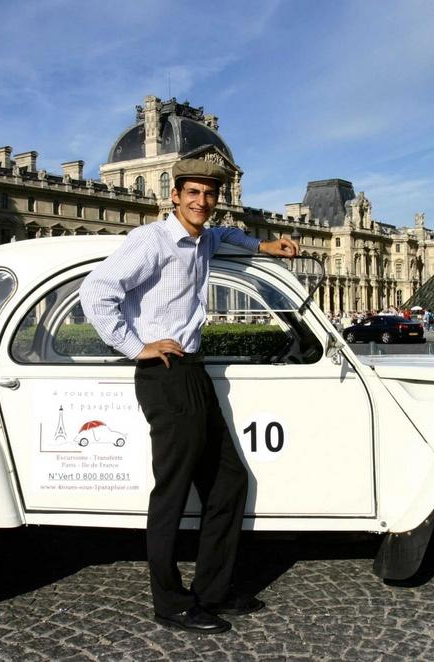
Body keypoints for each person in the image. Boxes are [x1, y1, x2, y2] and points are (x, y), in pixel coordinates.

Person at [80, 159, 298, 634]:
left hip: (191, 369)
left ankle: (213, 589)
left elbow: (226, 236)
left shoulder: (203, 239)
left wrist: (263, 246)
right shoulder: (151, 241)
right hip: (163, 373)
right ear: (174, 195)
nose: (202, 201)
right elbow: (96, 290)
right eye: (193, 192)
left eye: (209, 193)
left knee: (228, 481)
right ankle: (170, 601)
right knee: (173, 492)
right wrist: (136, 346)